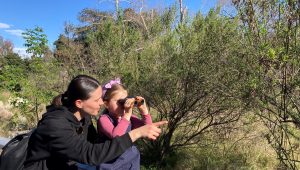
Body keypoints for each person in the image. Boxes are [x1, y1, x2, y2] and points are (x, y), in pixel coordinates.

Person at [23, 75, 167, 170]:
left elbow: (96, 145)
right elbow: (91, 154)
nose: (101, 103)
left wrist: (144, 113)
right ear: (79, 103)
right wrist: (136, 133)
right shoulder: (55, 125)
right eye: (97, 100)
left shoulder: (83, 118)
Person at [96, 78, 152, 169]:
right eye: (119, 102)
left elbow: (147, 128)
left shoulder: (129, 117)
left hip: (130, 161)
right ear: (106, 104)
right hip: (110, 164)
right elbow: (117, 136)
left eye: (125, 100)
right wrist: (127, 115)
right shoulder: (104, 119)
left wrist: (144, 111)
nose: (123, 104)